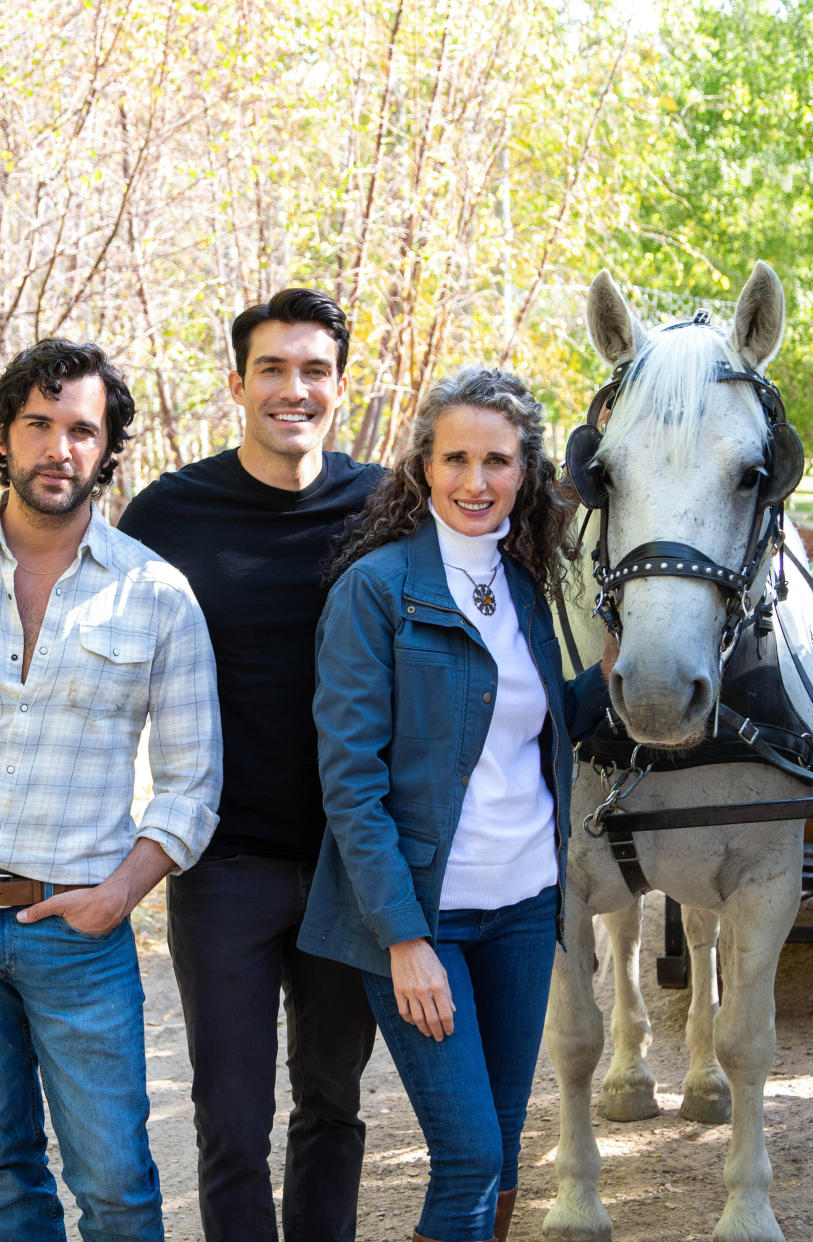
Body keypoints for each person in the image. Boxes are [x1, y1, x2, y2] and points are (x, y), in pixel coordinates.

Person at [0, 339, 222, 1242]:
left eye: (81, 429)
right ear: (2, 435)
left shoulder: (159, 596)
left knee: (114, 1184)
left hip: (76, 931)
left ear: (107, 449)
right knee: (0, 1170)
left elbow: (191, 784)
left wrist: (118, 897)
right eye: (38, 424)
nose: (58, 448)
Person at [297, 367, 616, 1242]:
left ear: (528, 471)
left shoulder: (524, 589)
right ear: (422, 469)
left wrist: (615, 670)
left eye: (498, 461)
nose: (476, 482)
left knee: (504, 1150)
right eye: (456, 459)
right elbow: (350, 785)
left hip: (523, 905)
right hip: (421, 918)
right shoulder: (377, 589)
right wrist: (405, 940)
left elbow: (540, 726)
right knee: (469, 1154)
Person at [114, 289, 383, 1242]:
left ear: (340, 388)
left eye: (314, 370)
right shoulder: (168, 514)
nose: (293, 389)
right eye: (272, 368)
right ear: (237, 384)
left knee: (332, 1104)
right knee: (231, 1119)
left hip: (352, 864)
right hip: (221, 862)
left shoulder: (387, 505)